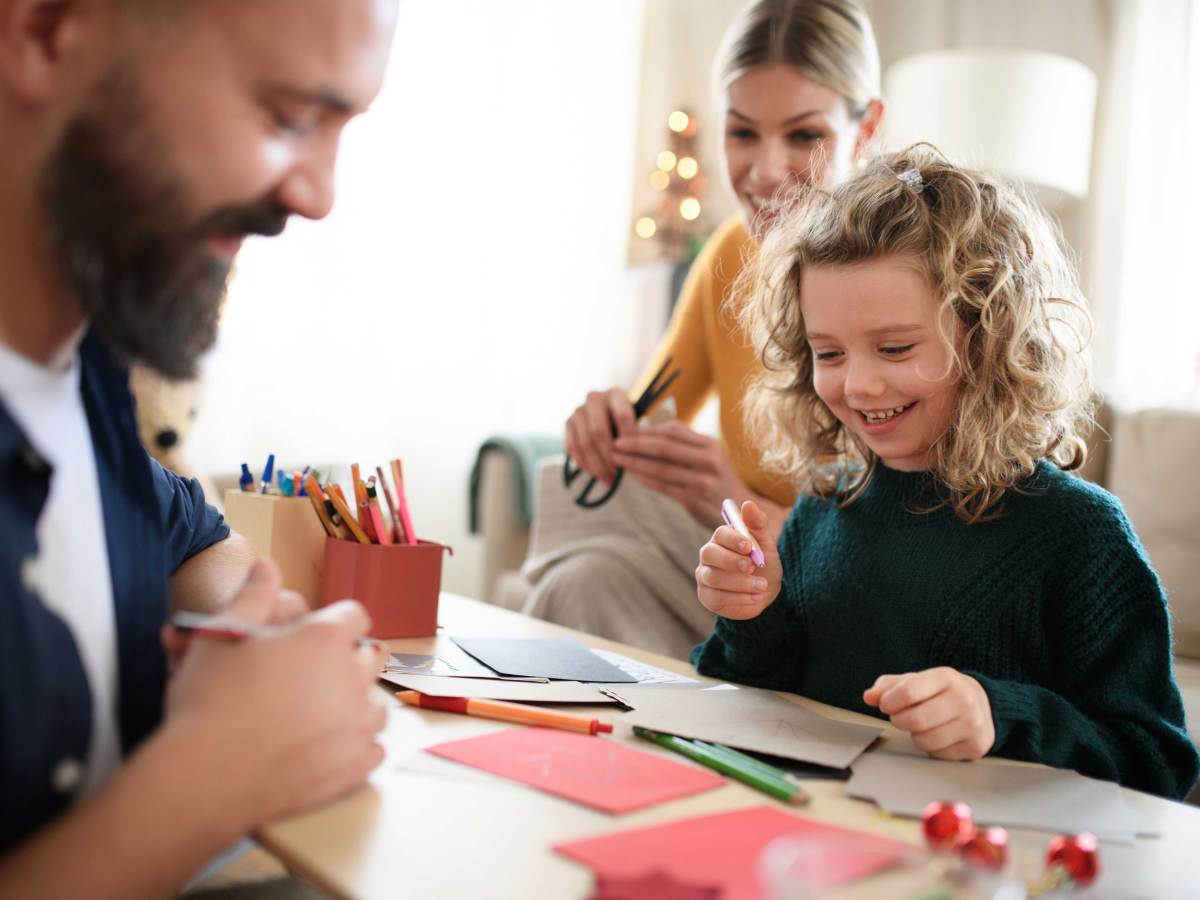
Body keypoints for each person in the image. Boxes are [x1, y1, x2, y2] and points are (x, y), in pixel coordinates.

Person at [0, 0, 399, 893]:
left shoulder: (86, 375)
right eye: (290, 116)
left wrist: (247, 632)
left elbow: (189, 535)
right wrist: (213, 772)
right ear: (45, 33)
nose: (318, 196)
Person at [692, 144, 1200, 799]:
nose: (860, 384)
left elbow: (1160, 763)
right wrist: (752, 613)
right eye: (829, 352)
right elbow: (760, 705)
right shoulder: (826, 509)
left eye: (896, 348)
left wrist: (1002, 716)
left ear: (987, 335)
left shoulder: (1080, 536)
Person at [518, 0, 885, 658]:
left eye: (804, 136)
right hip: (739, 568)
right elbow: (654, 410)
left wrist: (735, 500)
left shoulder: (896, 276)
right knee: (580, 582)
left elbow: (893, 561)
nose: (766, 170)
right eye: (742, 133)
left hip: (846, 600)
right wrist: (610, 427)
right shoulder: (728, 256)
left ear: (867, 127)